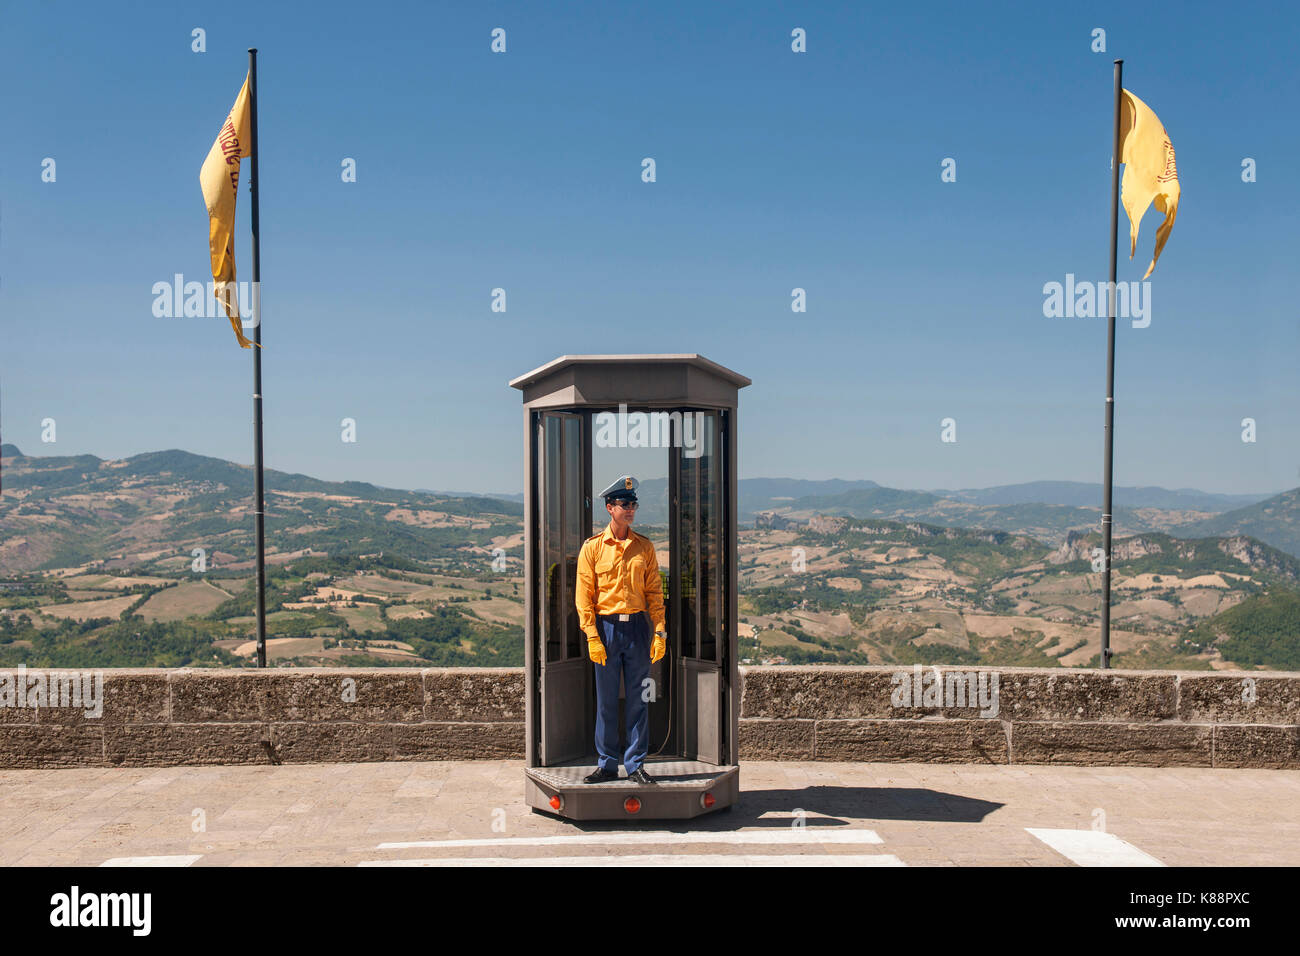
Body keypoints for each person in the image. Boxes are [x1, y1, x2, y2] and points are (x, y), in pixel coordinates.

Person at [575, 475, 667, 784]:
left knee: (639, 701)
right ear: (609, 508)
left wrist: (659, 631)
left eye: (633, 505)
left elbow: (655, 594)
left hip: (638, 628)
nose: (630, 510)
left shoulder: (645, 547)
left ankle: (636, 764)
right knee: (606, 701)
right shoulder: (593, 549)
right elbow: (584, 597)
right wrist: (592, 636)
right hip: (607, 629)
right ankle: (607, 764)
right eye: (625, 505)